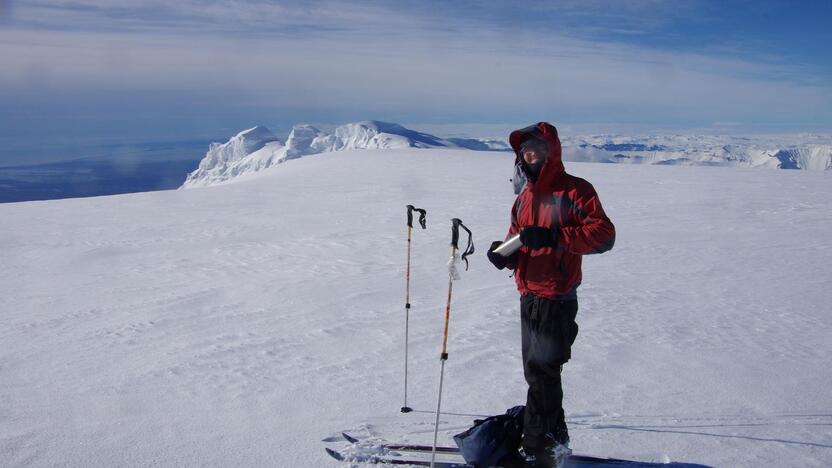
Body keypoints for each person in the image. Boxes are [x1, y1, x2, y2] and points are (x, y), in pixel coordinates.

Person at [487, 122, 615, 467]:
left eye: (537, 149)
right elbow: (518, 235)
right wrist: (504, 253)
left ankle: (538, 452)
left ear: (551, 152)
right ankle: (554, 443)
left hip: (556, 298)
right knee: (540, 374)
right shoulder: (524, 198)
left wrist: (555, 237)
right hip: (528, 295)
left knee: (542, 374)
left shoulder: (575, 190)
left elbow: (603, 235)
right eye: (525, 150)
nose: (530, 155)